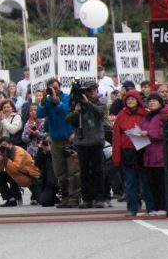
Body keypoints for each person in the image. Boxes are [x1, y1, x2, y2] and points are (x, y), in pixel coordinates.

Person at [64, 81, 106, 209]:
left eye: (94, 89)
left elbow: (100, 113)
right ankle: (87, 198)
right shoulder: (77, 104)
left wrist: (88, 103)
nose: (92, 92)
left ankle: (99, 198)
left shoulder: (101, 102)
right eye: (89, 90)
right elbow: (67, 119)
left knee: (98, 171)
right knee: (84, 172)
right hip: (82, 142)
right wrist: (77, 111)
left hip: (96, 141)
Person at [37, 78, 74, 206]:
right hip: (56, 140)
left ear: (60, 87)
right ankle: (65, 196)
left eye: (56, 88)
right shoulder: (47, 101)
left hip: (68, 138)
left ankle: (73, 197)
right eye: (51, 89)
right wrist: (42, 101)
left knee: (72, 170)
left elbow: (68, 112)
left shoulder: (67, 98)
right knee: (59, 171)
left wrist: (57, 101)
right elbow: (40, 114)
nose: (54, 91)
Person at [112, 90, 150, 216]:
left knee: (145, 180)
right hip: (127, 152)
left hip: (143, 151)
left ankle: (150, 207)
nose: (130, 101)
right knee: (130, 181)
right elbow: (116, 137)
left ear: (138, 100)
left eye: (133, 99)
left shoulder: (145, 113)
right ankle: (132, 207)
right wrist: (116, 156)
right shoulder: (121, 115)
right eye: (128, 99)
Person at [138, 94, 168, 215]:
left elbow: (164, 132)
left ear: (160, 102)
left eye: (154, 101)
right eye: (149, 101)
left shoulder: (164, 114)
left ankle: (163, 207)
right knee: (152, 183)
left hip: (160, 154)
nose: (151, 103)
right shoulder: (148, 116)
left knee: (161, 183)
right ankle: (154, 208)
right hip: (148, 154)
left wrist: (149, 133)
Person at [0, 138, 41, 207]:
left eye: (5, 145)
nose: (3, 147)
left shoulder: (19, 152)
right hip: (17, 177)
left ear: (11, 144)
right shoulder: (3, 153)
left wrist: (5, 158)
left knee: (43, 201)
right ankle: (11, 199)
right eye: (1, 146)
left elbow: (15, 168)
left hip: (30, 178)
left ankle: (34, 196)